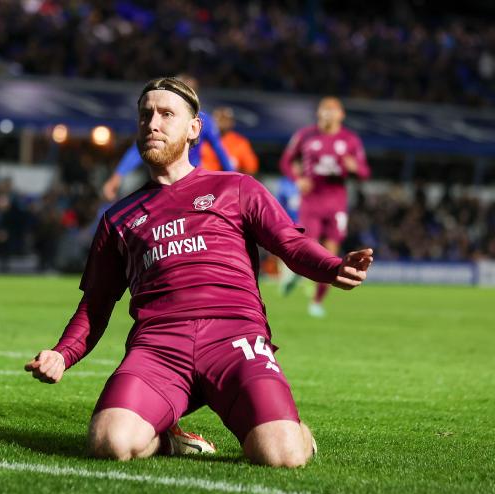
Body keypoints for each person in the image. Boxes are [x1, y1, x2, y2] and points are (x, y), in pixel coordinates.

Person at [26, 77, 373, 467]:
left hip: (235, 339)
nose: (152, 124)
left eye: (166, 114)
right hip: (158, 347)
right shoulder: (118, 218)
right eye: (145, 115)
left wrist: (333, 266)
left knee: (283, 455)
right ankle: (171, 438)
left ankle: (299, 434)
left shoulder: (237, 188)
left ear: (194, 129)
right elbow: (96, 304)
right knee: (110, 442)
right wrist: (62, 353)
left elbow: (289, 244)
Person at [279, 97, 370, 317]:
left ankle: (316, 301)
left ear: (341, 115)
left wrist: (354, 168)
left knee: (331, 254)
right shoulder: (305, 135)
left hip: (336, 204)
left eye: (333, 110)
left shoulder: (350, 139)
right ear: (319, 113)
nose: (328, 114)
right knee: (308, 247)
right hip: (311, 201)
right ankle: (296, 272)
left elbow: (365, 173)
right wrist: (297, 179)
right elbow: (286, 161)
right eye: (325, 110)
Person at [101, 75, 234, 201]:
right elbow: (138, 150)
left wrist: (234, 179)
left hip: (193, 181)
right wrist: (117, 176)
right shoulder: (154, 121)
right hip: (158, 182)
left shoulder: (205, 122)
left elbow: (219, 150)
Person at [199, 106, 259, 175]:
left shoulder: (239, 142)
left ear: (232, 122)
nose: (222, 122)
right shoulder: (202, 139)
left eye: (225, 119)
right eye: (219, 118)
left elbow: (251, 168)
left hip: (229, 181)